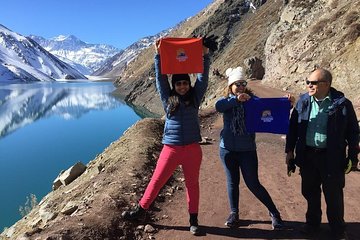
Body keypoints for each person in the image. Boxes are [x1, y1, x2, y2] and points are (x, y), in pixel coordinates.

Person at [122, 39, 210, 236]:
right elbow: (160, 78)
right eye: (178, 83)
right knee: (157, 180)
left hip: (192, 149)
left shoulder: (195, 99)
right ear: (174, 85)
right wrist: (158, 55)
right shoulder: (167, 99)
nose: (182, 86)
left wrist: (205, 55)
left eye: (185, 83)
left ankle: (193, 220)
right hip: (170, 148)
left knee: (192, 184)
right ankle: (141, 210)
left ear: (189, 84)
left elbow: (203, 79)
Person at [285, 68, 359, 239]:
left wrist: (353, 157)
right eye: (307, 82)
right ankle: (312, 225)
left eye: (313, 82)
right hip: (308, 156)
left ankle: (338, 229)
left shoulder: (342, 104)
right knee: (310, 193)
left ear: (326, 84)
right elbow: (293, 129)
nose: (309, 85)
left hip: (331, 158)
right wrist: (289, 152)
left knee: (333, 195)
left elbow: (353, 131)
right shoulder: (303, 101)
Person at [215, 66, 285, 229]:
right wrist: (236, 100)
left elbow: (271, 110)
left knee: (253, 183)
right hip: (227, 150)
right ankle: (234, 213)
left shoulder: (253, 102)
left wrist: (285, 104)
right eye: (237, 84)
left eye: (242, 84)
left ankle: (274, 212)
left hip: (247, 150)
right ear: (230, 86)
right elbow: (218, 107)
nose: (240, 87)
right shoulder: (226, 101)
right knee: (232, 182)